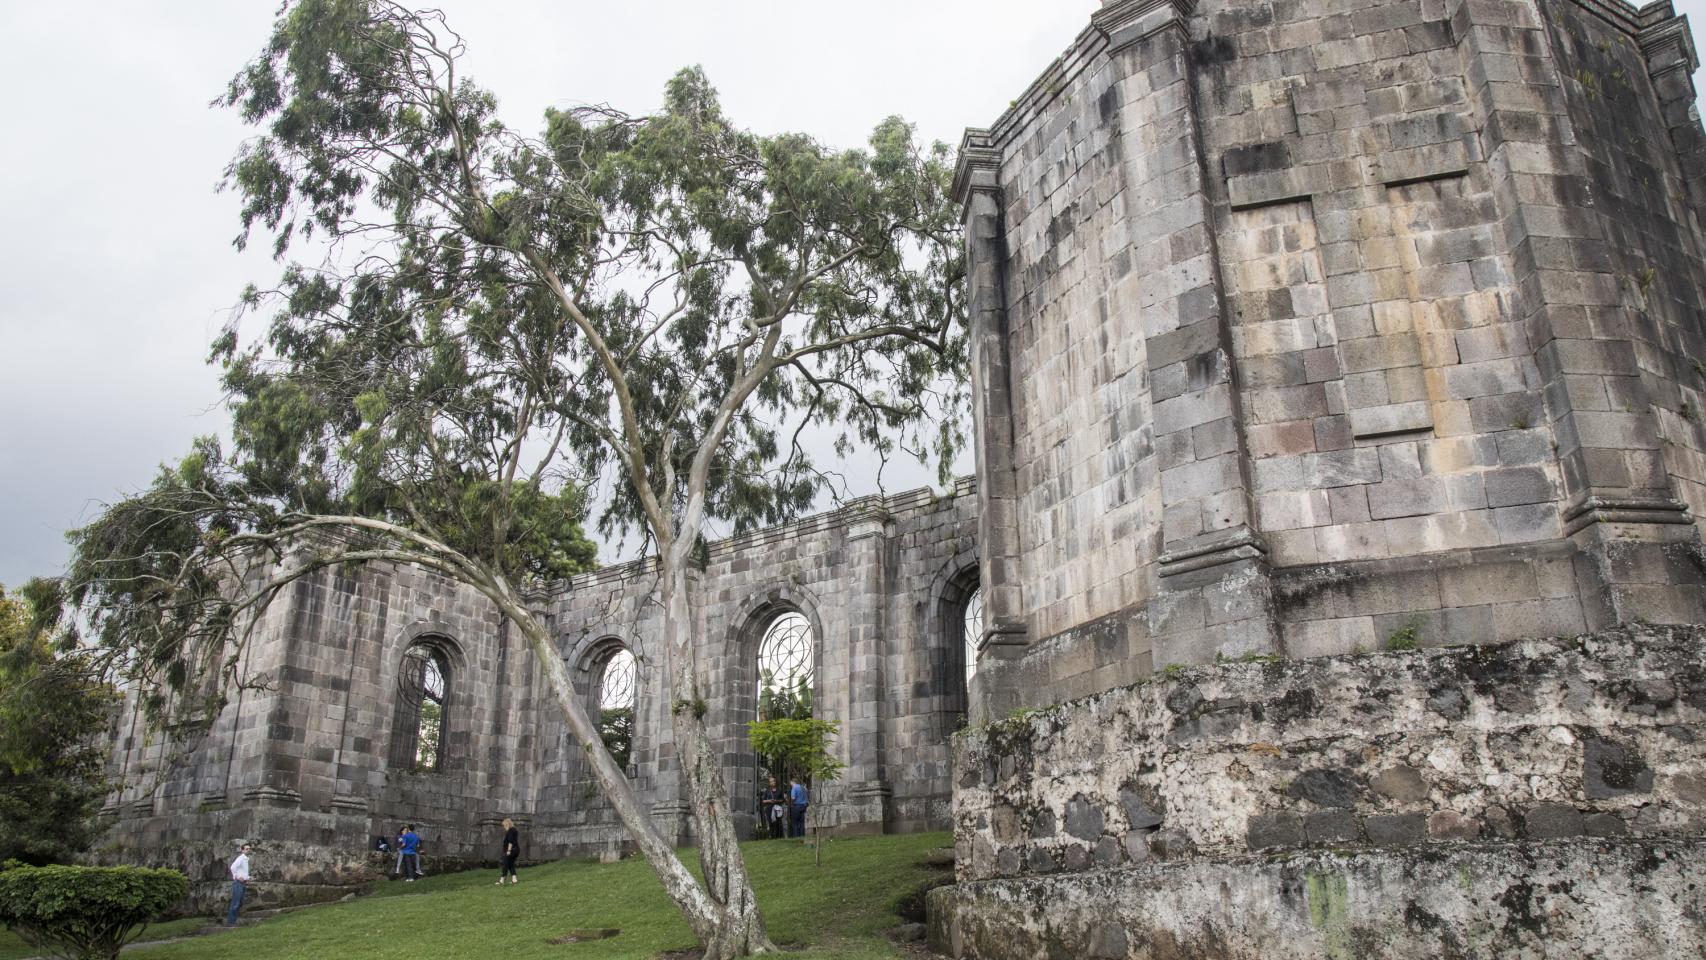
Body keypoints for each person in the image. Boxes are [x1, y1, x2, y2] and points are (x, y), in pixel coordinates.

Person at [225, 843, 253, 926]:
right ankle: (230, 922)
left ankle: (233, 920)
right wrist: (237, 877)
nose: (248, 850)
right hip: (238, 883)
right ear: (242, 850)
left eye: (249, 849)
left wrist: (248, 878)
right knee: (235, 903)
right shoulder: (241, 858)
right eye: (246, 849)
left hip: (243, 883)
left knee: (240, 902)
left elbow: (243, 872)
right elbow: (233, 867)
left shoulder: (246, 859)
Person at [497, 818, 520, 885]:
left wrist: (508, 851)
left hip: (511, 850)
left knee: (505, 864)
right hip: (515, 850)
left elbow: (510, 841)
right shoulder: (514, 830)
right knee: (511, 864)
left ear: (507, 824)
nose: (504, 827)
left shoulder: (510, 830)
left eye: (504, 825)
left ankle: (502, 880)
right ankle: (514, 879)